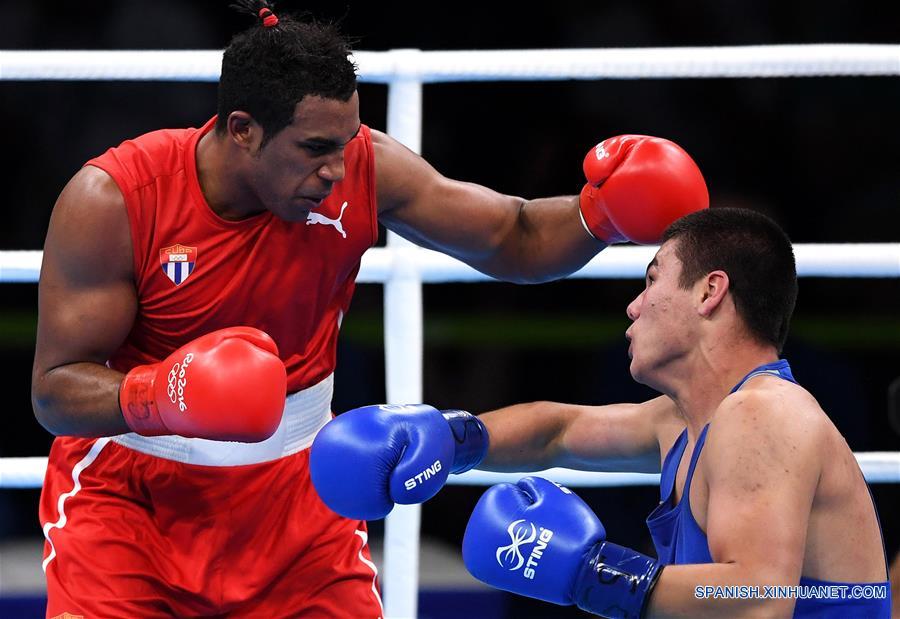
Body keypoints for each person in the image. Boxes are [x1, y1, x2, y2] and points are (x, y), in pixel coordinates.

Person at [29, 1, 709, 617]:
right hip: (130, 505)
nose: (335, 170)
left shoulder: (362, 168)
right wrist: (166, 392)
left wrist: (598, 215)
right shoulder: (116, 199)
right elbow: (56, 390)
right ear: (242, 130)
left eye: (346, 142)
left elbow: (514, 235)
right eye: (315, 148)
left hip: (295, 500)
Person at [312, 208, 892, 618]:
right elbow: (561, 430)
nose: (632, 305)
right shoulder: (685, 421)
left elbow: (755, 598)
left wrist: (597, 577)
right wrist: (456, 436)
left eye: (653, 278)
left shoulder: (763, 415)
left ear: (709, 292)